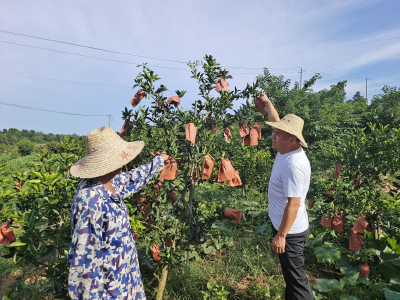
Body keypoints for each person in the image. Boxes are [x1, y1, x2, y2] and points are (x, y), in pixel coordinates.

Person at [67, 126, 168, 300]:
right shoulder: (91, 203)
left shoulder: (107, 182)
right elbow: (84, 266)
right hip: (109, 292)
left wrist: (159, 162)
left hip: (125, 281)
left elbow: (132, 178)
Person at [258, 93, 315, 300]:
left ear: (292, 139)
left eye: (277, 134)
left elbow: (294, 203)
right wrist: (267, 103)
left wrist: (281, 236)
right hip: (283, 225)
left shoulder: (294, 164)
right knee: (291, 279)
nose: (272, 136)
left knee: (297, 281)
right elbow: (276, 121)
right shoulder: (285, 148)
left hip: (289, 232)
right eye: (274, 132)